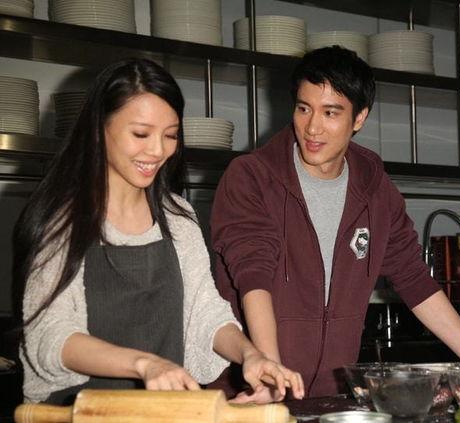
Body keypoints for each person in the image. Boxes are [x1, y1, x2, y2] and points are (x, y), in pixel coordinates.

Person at [13, 58, 304, 405]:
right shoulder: (62, 221)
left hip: (161, 412)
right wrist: (144, 364)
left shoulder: (177, 218)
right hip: (78, 412)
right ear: (98, 128)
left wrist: (251, 355)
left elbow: (204, 311)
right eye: (141, 134)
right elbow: (51, 334)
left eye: (170, 135)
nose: (157, 150)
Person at [209, 46, 460, 400]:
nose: (312, 127)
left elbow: (414, 280)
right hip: (248, 396)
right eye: (303, 108)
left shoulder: (375, 189)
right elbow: (253, 275)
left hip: (329, 398)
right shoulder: (252, 177)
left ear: (359, 118)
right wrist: (269, 374)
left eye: (331, 112)